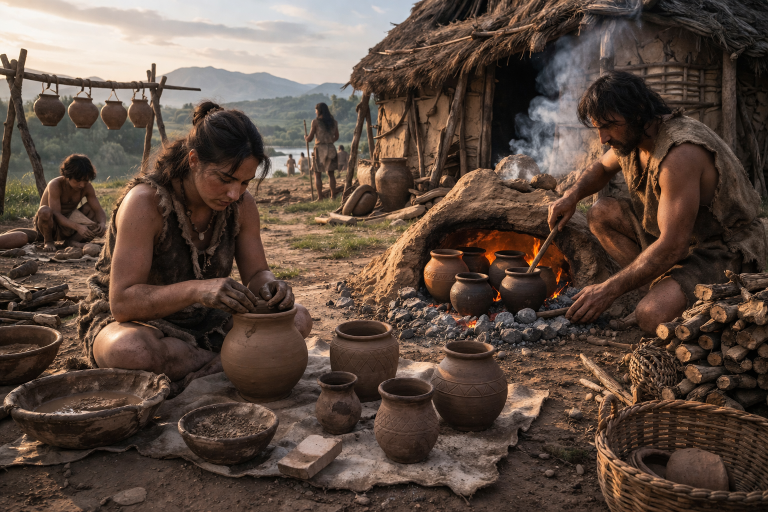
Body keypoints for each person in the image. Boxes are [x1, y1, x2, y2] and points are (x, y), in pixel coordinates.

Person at [77, 101, 313, 391]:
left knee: (299, 318)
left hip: (207, 319)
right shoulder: (145, 203)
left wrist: (271, 287)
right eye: (225, 179)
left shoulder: (241, 205)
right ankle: (229, 361)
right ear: (193, 160)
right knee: (130, 350)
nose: (234, 193)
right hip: (137, 323)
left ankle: (208, 362)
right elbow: (123, 304)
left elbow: (256, 274)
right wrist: (197, 290)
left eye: (245, 182)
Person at [548, 71, 766, 333]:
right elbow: (602, 168)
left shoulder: (679, 153)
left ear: (638, 111)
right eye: (598, 128)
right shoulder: (632, 137)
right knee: (600, 213)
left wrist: (608, 290)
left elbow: (673, 246)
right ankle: (660, 287)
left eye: (609, 126)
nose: (603, 138)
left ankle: (669, 297)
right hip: (678, 238)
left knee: (651, 315)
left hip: (720, 248)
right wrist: (571, 196)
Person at [35, 154, 107, 252]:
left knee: (91, 209)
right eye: (78, 181)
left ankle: (72, 241)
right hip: (50, 225)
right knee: (44, 210)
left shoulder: (87, 187)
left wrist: (102, 223)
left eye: (85, 181)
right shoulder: (55, 185)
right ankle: (48, 241)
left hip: (70, 225)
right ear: (67, 176)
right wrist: (78, 227)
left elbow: (98, 210)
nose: (82, 185)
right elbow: (56, 214)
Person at [304, 103, 339, 200]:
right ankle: (333, 196)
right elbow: (336, 136)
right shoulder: (334, 122)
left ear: (319, 111)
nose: (315, 112)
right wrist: (330, 142)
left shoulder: (315, 122)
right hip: (331, 148)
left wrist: (305, 137)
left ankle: (320, 198)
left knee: (317, 174)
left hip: (320, 149)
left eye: (316, 110)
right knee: (331, 174)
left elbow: (310, 138)